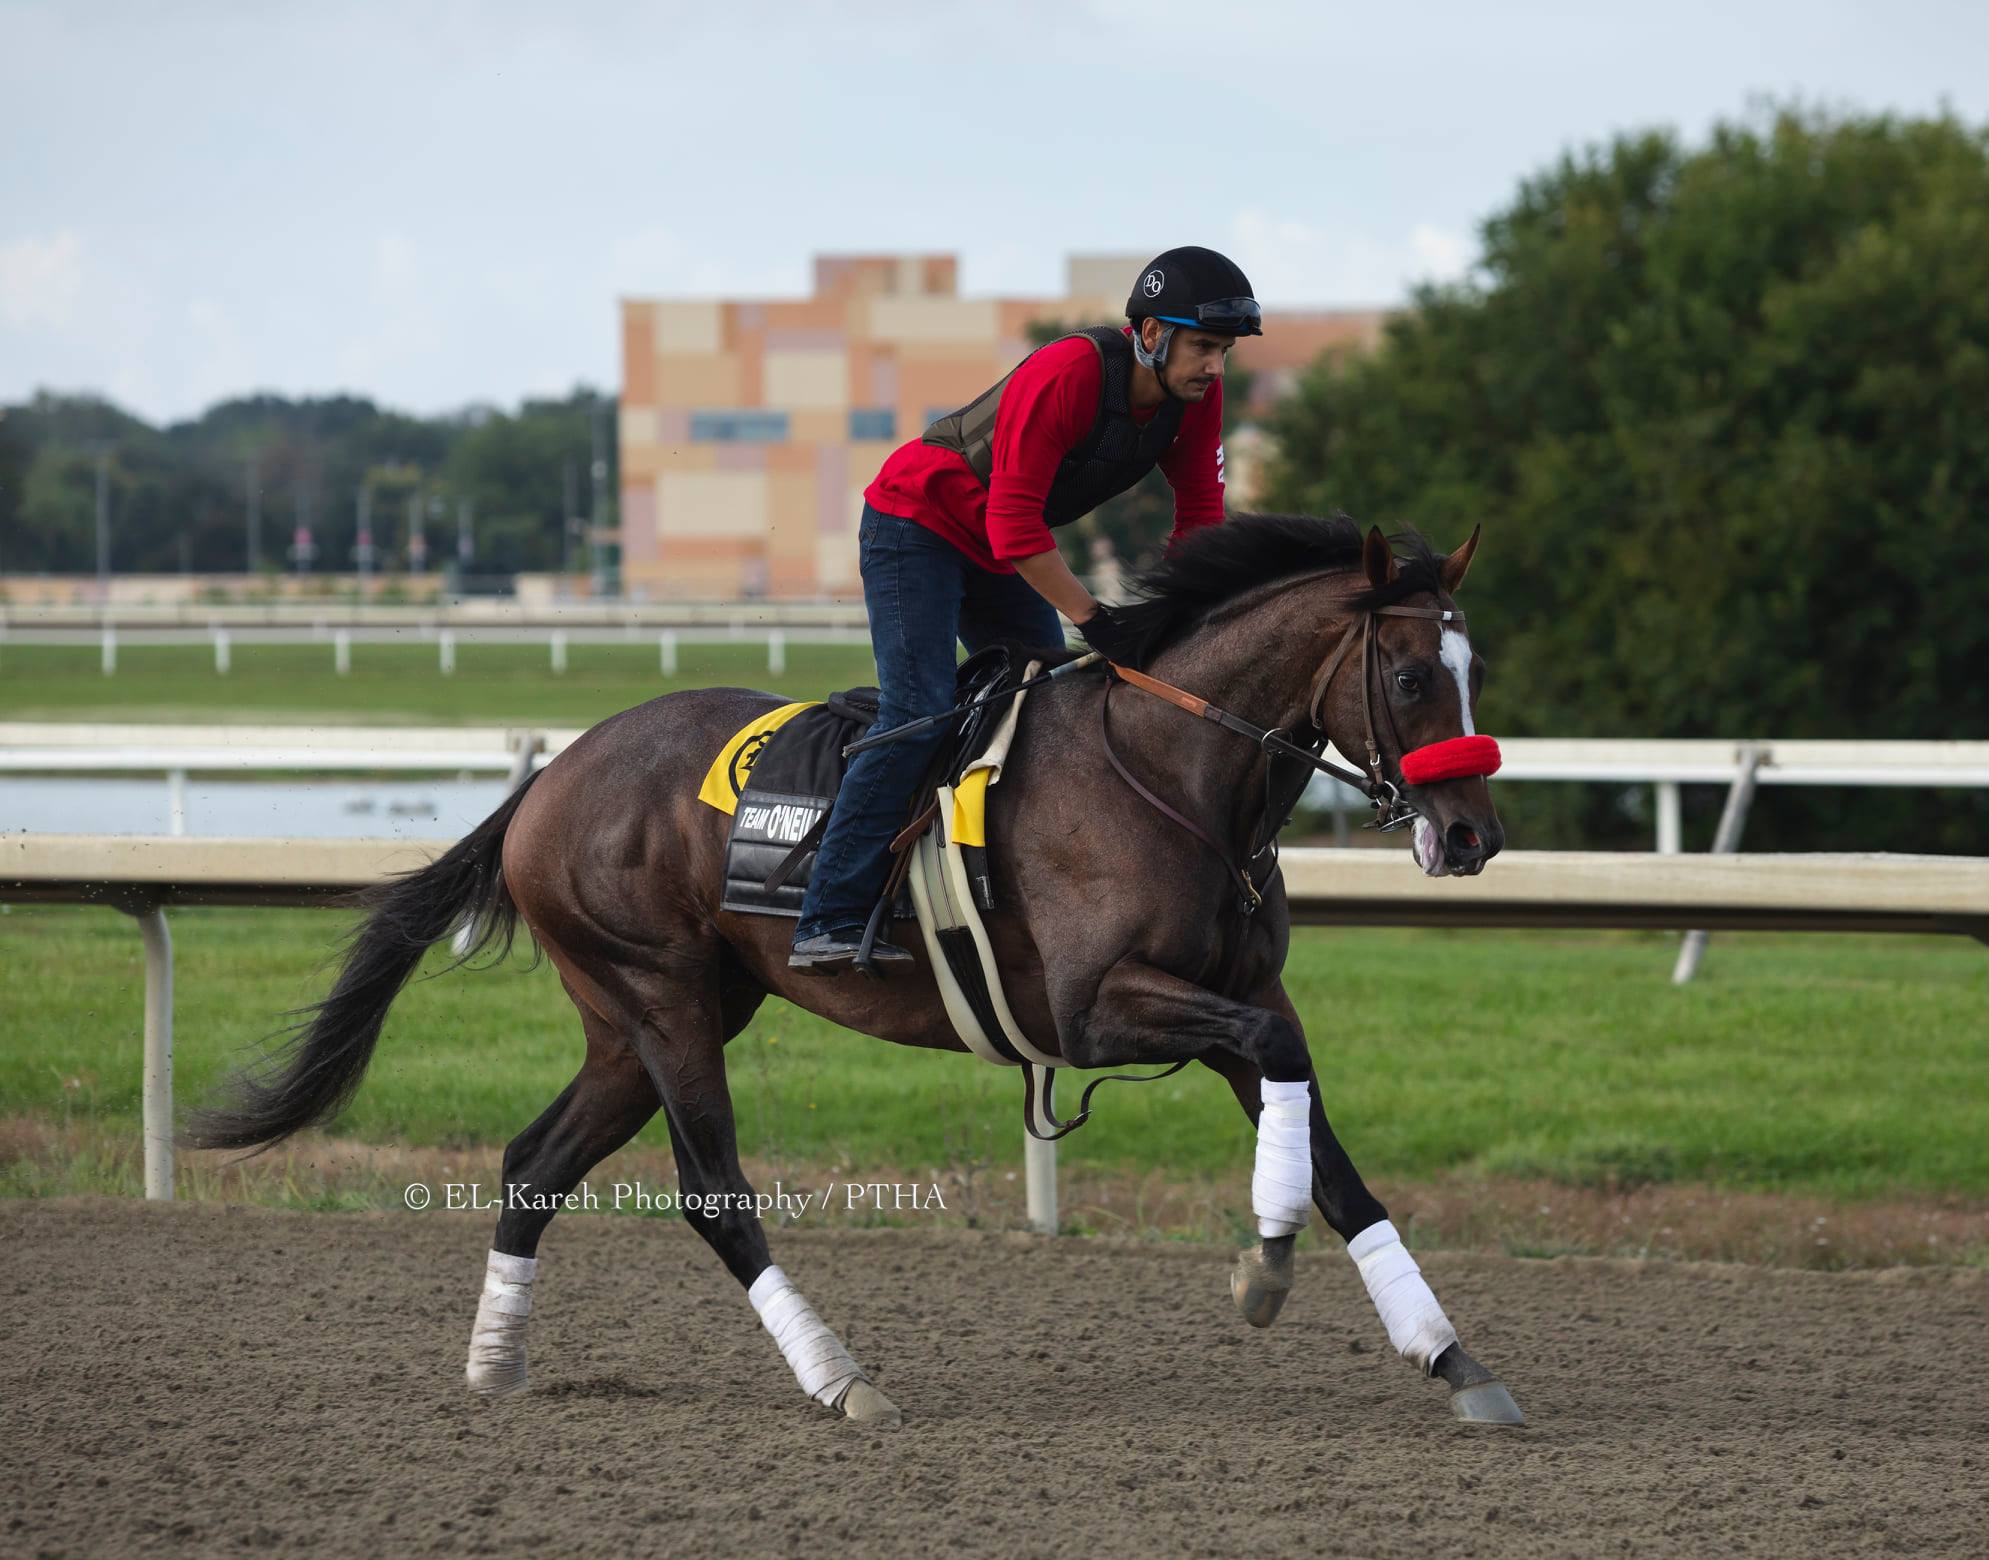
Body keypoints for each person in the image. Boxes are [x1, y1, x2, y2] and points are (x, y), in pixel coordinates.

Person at [787, 246, 1262, 975]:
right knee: (921, 708)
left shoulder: (1193, 398)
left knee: (1045, 710)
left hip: (998, 548)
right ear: (1147, 334)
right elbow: (1016, 529)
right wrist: (1099, 623)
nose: (1213, 367)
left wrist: (1182, 623)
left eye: (1223, 351)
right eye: (1202, 347)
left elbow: (1200, 515)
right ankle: (829, 913)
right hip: (915, 523)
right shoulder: (1067, 374)